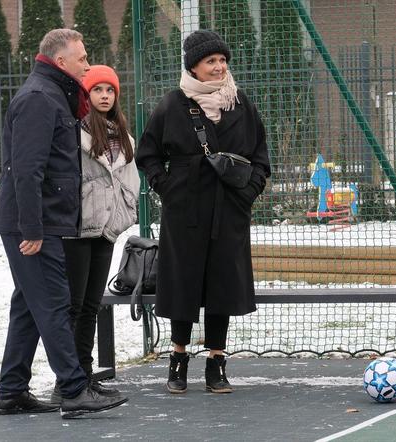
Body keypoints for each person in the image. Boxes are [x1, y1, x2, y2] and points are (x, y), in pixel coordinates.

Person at [0, 29, 128, 418]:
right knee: (52, 303)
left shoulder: (53, 95)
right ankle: (73, 389)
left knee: (28, 305)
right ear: (61, 61)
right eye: (82, 58)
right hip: (33, 225)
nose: (87, 63)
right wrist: (32, 229)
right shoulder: (39, 98)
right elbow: (27, 169)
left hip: (42, 221)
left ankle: (12, 391)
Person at [136, 29, 271, 394]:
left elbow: (261, 157)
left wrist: (249, 192)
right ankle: (177, 359)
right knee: (183, 282)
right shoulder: (171, 104)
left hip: (230, 209)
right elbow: (147, 154)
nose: (219, 66)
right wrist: (168, 188)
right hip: (184, 211)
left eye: (223, 60)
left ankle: (217, 361)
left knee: (222, 284)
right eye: (211, 61)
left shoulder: (241, 104)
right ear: (193, 66)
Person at [53, 65, 140, 401]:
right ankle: (68, 381)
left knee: (91, 305)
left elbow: (130, 181)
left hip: (106, 230)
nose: (105, 96)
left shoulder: (124, 138)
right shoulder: (75, 134)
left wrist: (125, 212)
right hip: (78, 229)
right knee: (72, 306)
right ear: (86, 95)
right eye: (97, 90)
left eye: (110, 90)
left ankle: (85, 376)